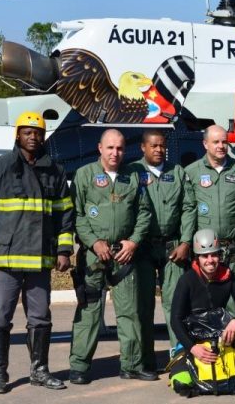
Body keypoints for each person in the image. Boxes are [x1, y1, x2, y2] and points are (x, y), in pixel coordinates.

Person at [0, 111, 73, 393]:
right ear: (18, 134)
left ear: (43, 137)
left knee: (41, 318)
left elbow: (64, 216)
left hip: (40, 259)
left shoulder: (55, 171)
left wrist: (64, 250)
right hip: (5, 259)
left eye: (38, 132)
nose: (33, 137)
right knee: (0, 318)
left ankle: (40, 372)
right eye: (27, 132)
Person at [68, 129, 155, 385]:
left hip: (124, 257)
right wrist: (94, 242)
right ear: (100, 148)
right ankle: (79, 366)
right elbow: (78, 215)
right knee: (88, 312)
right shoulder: (84, 175)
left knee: (130, 312)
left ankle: (131, 364)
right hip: (93, 257)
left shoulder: (133, 177)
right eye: (110, 148)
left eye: (119, 148)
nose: (115, 153)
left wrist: (134, 241)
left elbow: (144, 212)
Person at [131, 129, 195, 371]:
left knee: (175, 305)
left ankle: (178, 358)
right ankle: (146, 361)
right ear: (143, 148)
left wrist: (186, 242)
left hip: (172, 249)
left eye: (162, 146)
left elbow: (189, 208)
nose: (159, 150)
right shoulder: (132, 172)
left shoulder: (177, 172)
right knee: (144, 305)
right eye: (154, 146)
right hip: (144, 250)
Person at [169, 228, 235, 394]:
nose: (210, 260)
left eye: (214, 254)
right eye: (204, 256)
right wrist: (193, 348)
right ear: (197, 258)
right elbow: (175, 319)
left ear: (220, 255)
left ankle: (232, 361)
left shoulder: (230, 277)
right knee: (181, 383)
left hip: (220, 337)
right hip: (193, 340)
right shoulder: (186, 280)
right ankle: (181, 357)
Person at [185, 125, 235, 275]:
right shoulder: (192, 171)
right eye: (216, 142)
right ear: (205, 144)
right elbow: (187, 209)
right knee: (204, 295)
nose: (221, 146)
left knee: (231, 294)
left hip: (232, 248)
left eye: (224, 142)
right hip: (203, 250)